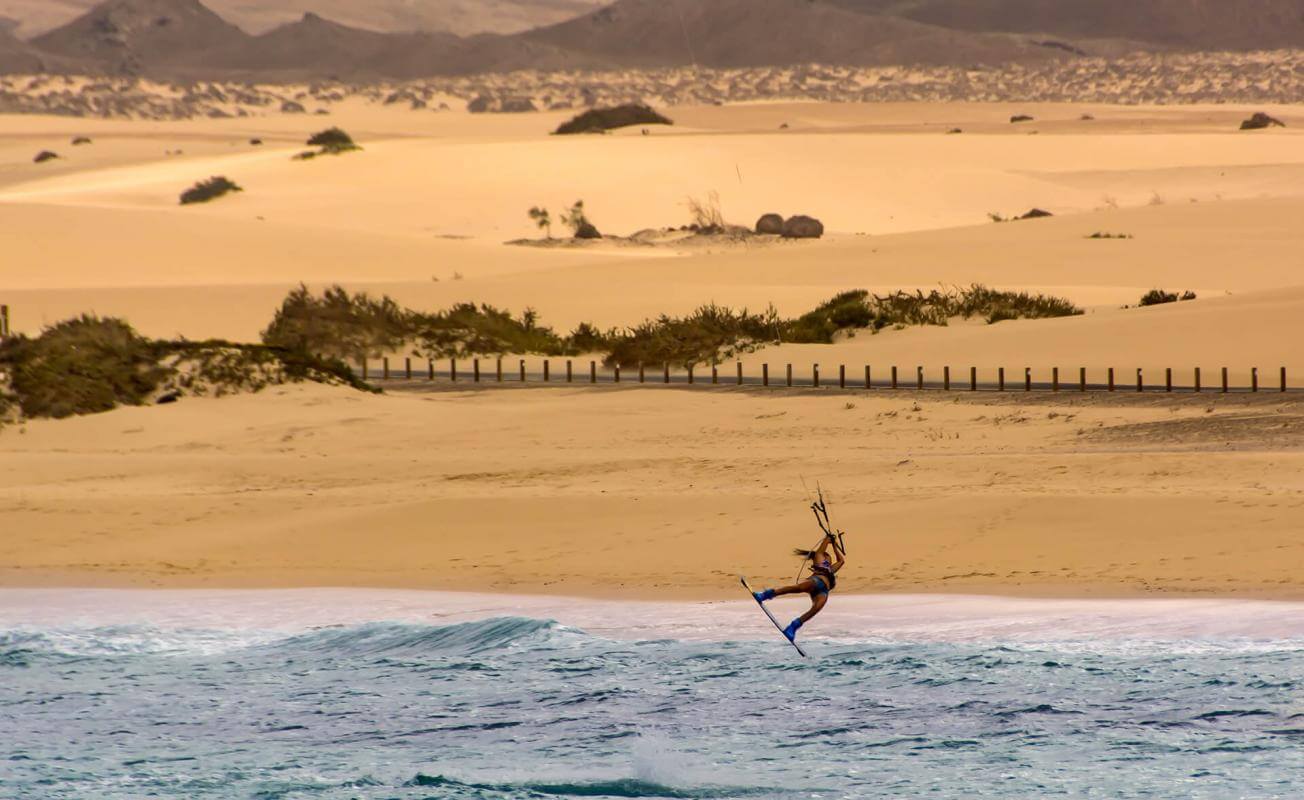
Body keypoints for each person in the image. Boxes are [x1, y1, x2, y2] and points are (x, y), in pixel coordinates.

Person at [753, 534, 845, 642]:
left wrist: (834, 545)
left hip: (823, 592)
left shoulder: (831, 570)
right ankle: (765, 595)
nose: (830, 558)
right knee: (795, 588)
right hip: (816, 582)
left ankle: (793, 627)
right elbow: (822, 548)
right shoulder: (819, 558)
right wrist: (828, 540)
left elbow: (841, 561)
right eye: (828, 556)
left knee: (815, 609)